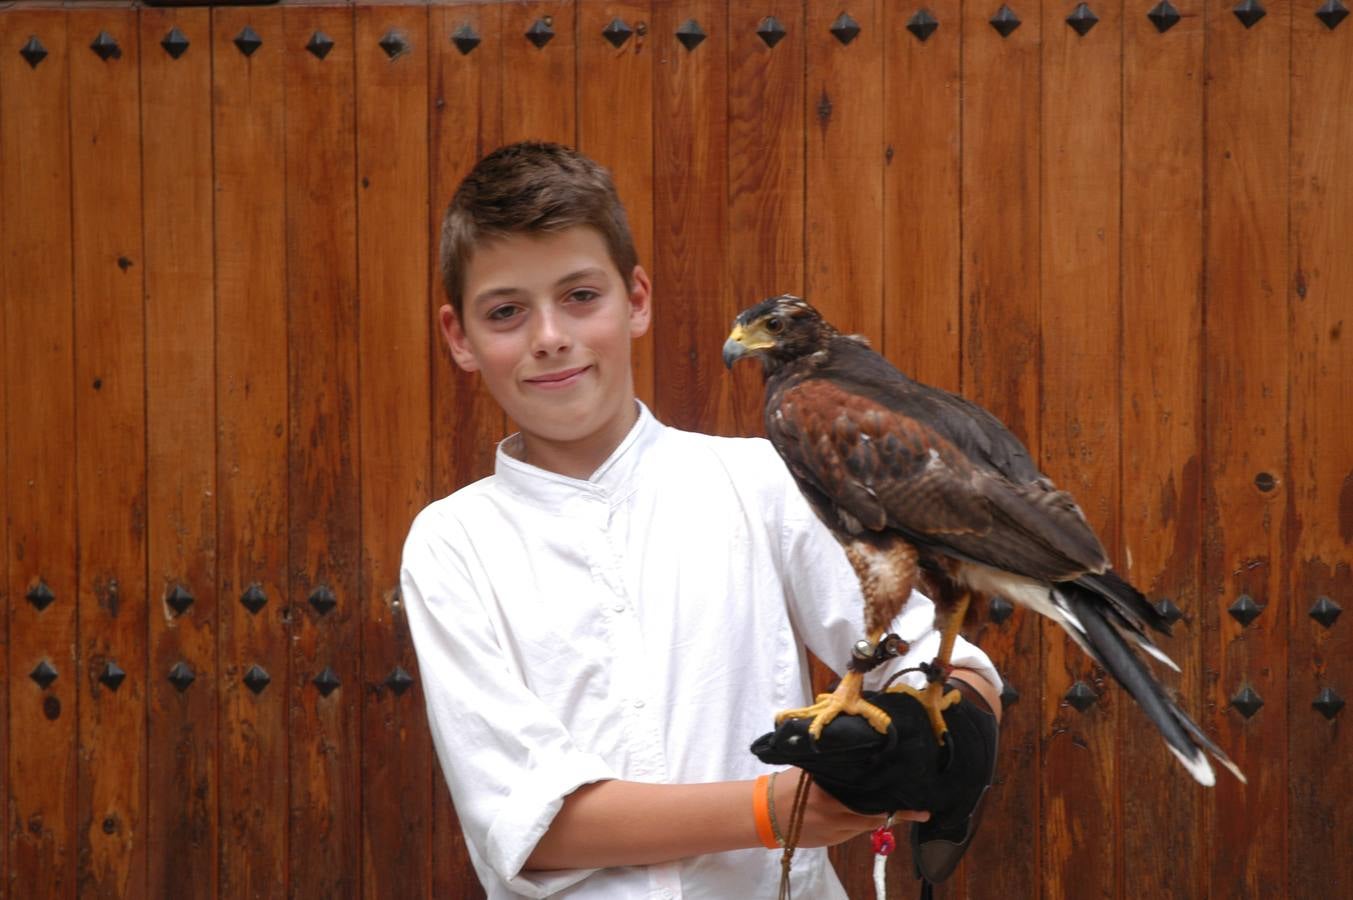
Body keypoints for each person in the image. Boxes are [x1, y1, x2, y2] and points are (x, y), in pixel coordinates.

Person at [400, 141, 1003, 900]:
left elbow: (943, 665)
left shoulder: (764, 481)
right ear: (459, 336)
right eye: (506, 311)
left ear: (636, 299)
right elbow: (529, 824)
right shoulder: (452, 545)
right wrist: (774, 807)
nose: (548, 335)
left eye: (580, 295)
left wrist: (938, 735)